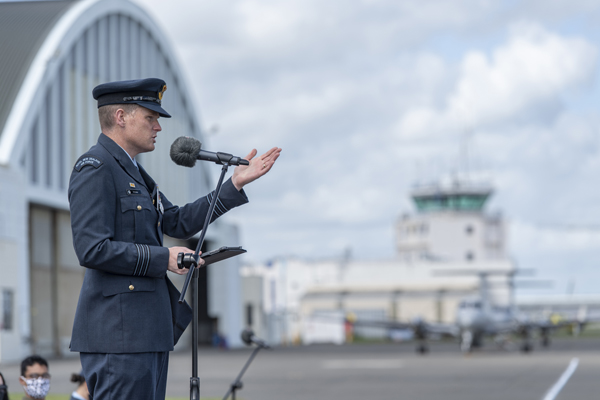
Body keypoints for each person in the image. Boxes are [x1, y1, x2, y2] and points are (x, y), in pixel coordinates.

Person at [68, 78, 281, 400]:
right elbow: (92, 248)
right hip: (119, 335)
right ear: (121, 117)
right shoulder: (96, 167)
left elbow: (176, 221)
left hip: (146, 330)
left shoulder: (135, 173)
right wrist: (162, 258)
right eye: (150, 118)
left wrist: (234, 184)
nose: (158, 127)